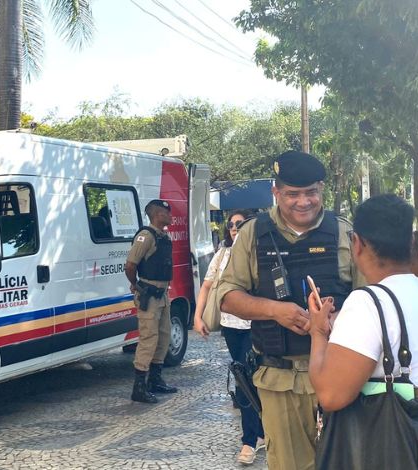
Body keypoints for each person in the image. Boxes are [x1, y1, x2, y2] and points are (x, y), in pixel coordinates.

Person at [217, 150, 358, 470]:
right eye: (292, 194)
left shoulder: (342, 232)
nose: (304, 202)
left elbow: (368, 296)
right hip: (279, 378)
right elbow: (226, 296)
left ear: (322, 188)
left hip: (340, 374)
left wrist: (336, 318)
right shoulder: (253, 233)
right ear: (276, 192)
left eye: (311, 192)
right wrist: (274, 310)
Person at [307, 194, 418, 470]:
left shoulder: (367, 303)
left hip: (379, 456)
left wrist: (318, 332)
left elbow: (330, 395)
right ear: (410, 243)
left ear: (358, 243)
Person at [193, 210, 265, 465]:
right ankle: (258, 433)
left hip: (256, 325)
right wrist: (198, 316)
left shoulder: (260, 251)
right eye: (232, 225)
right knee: (243, 377)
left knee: (248, 378)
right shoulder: (222, 254)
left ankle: (250, 440)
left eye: (240, 224)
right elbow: (207, 285)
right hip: (231, 325)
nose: (235, 228)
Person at [124, 199, 178, 404]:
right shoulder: (146, 236)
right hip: (149, 294)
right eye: (167, 212)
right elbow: (130, 266)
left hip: (162, 294)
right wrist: (136, 285)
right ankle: (139, 387)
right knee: (149, 338)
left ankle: (155, 380)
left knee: (163, 337)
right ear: (157, 214)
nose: (171, 215)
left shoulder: (163, 236)